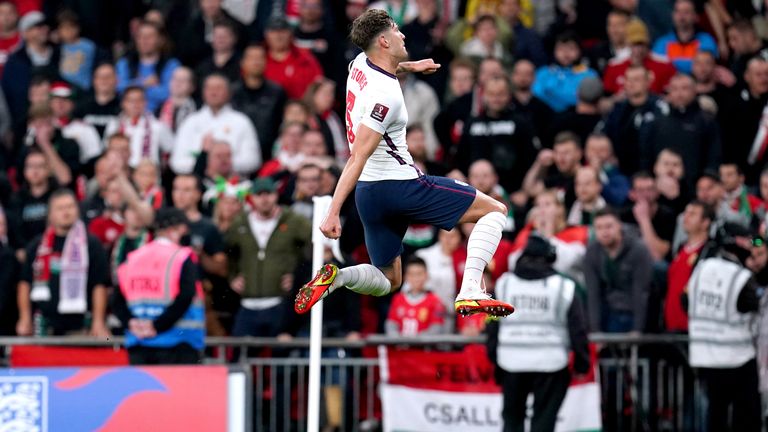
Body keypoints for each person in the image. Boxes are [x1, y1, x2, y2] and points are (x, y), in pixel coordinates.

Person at [293, 10, 513, 318]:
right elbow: (358, 154)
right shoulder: (386, 97)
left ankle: (338, 277)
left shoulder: (358, 64)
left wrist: (411, 66)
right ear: (383, 41)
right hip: (401, 186)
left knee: (389, 279)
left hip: (369, 196)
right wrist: (333, 212)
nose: (404, 35)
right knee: (495, 211)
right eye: (397, 31)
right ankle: (472, 290)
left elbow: (381, 66)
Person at [486, 234, 590, 432]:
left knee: (512, 420)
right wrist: (581, 363)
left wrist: (494, 358)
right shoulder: (563, 287)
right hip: (551, 364)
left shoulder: (504, 285)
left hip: (511, 363)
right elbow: (578, 330)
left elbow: (492, 326)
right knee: (544, 422)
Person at [686, 222, 762, 431]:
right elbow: (755, 305)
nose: (753, 246)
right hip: (737, 358)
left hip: (705, 357)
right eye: (749, 241)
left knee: (715, 415)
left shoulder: (700, 268)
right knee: (746, 416)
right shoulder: (739, 276)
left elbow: (685, 301)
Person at [114, 207, 204, 365]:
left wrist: (130, 322)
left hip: (139, 344)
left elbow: (115, 298)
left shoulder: (133, 258)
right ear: (174, 230)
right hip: (179, 344)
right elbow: (186, 296)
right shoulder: (182, 256)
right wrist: (157, 326)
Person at [16, 189, 110, 337]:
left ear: (77, 210)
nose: (66, 212)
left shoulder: (91, 244)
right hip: (44, 325)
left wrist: (98, 321)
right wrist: (25, 318)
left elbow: (99, 285)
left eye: (70, 207)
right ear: (51, 214)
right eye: (60, 208)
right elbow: (25, 283)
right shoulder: (37, 246)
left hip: (79, 325)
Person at [226, 178, 312, 336]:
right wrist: (232, 277)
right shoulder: (240, 223)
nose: (264, 199)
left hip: (281, 302)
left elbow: (313, 250)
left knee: (280, 353)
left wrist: (298, 278)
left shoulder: (294, 221)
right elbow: (228, 253)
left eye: (269, 194)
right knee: (240, 352)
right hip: (248, 302)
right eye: (259, 194)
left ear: (276, 195)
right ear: (251, 197)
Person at [171, 74, 261, 176]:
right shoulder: (190, 122)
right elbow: (176, 163)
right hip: (197, 184)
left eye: (218, 88)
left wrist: (223, 164)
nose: (213, 92)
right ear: (203, 92)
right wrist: (206, 163)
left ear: (228, 93)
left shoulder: (241, 121)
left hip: (233, 184)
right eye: (209, 88)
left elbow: (253, 161)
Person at [584, 207, 653, 332]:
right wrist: (596, 330)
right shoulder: (592, 252)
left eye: (609, 226)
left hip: (632, 312)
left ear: (619, 226)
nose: (604, 232)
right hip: (608, 312)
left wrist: (637, 330)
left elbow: (641, 293)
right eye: (599, 228)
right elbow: (593, 294)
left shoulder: (638, 250)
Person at [665, 200, 713, 332]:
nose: (685, 217)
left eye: (692, 214)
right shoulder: (680, 249)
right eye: (685, 213)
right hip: (671, 325)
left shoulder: (710, 252)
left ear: (705, 223)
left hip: (693, 327)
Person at [385, 256, 447, 336]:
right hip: (400, 347)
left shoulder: (435, 301)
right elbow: (391, 324)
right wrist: (398, 340)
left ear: (426, 275)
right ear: (405, 277)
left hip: (423, 348)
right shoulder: (398, 299)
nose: (416, 278)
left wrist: (415, 341)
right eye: (412, 274)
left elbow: (436, 328)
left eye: (419, 274)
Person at [652, 0, 718, 74]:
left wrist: (671, 64)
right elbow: (658, 69)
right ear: (673, 15)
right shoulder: (662, 42)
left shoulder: (706, 40)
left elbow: (705, 69)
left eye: (686, 12)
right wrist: (692, 63)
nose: (681, 16)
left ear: (695, 17)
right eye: (678, 11)